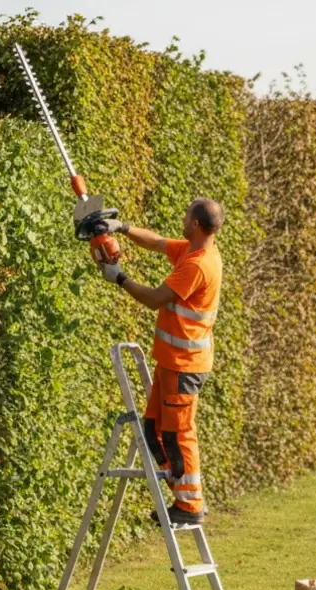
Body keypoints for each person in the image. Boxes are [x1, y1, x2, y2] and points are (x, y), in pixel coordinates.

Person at [94, 198, 223, 526]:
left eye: (186, 214)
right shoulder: (193, 250)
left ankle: (191, 506)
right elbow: (157, 242)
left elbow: (153, 299)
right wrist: (120, 227)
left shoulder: (197, 265)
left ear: (194, 224)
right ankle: (180, 494)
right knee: (155, 430)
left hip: (185, 365)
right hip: (173, 361)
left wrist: (118, 278)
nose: (182, 217)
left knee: (180, 435)